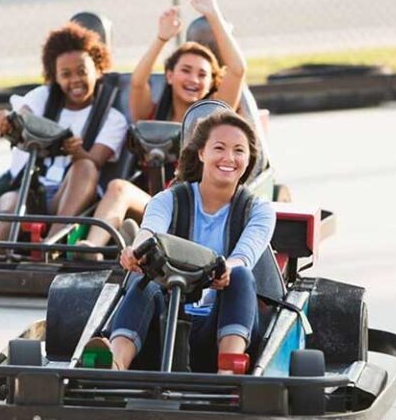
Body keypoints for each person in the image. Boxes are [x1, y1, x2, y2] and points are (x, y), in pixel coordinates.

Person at [85, 110, 276, 374]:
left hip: (221, 324)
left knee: (241, 275)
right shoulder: (169, 200)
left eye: (238, 151)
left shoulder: (259, 210)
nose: (229, 158)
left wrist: (225, 271)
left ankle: (228, 373)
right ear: (201, 153)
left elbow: (244, 255)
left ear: (248, 159)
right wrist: (136, 252)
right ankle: (115, 364)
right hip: (164, 324)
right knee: (145, 281)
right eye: (219, 148)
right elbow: (149, 232)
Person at [76, 0, 246, 257]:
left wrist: (213, 15)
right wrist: (162, 38)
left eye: (202, 74)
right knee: (119, 187)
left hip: (195, 206)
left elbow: (237, 70)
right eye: (185, 70)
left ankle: (143, 241)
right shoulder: (153, 112)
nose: (193, 79)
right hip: (156, 204)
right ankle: (94, 248)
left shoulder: (215, 116)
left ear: (211, 82)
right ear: (169, 76)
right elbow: (138, 81)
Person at [0, 22, 128, 243]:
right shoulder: (43, 97)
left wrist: (77, 151)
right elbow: (21, 113)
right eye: (66, 74)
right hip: (30, 190)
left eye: (82, 72)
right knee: (9, 211)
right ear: (55, 77)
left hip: (68, 196)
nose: (75, 80)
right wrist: (6, 121)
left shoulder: (112, 118)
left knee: (86, 166)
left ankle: (53, 240)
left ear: (98, 70)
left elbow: (96, 160)